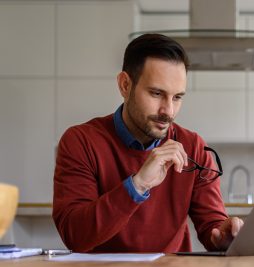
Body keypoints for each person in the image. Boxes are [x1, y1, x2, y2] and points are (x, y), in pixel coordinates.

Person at [53, 33, 243, 253]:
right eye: (156, 93)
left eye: (177, 97)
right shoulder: (81, 142)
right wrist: (138, 184)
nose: (168, 111)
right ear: (125, 85)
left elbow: (212, 228)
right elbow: (74, 236)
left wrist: (225, 237)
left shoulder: (193, 147)